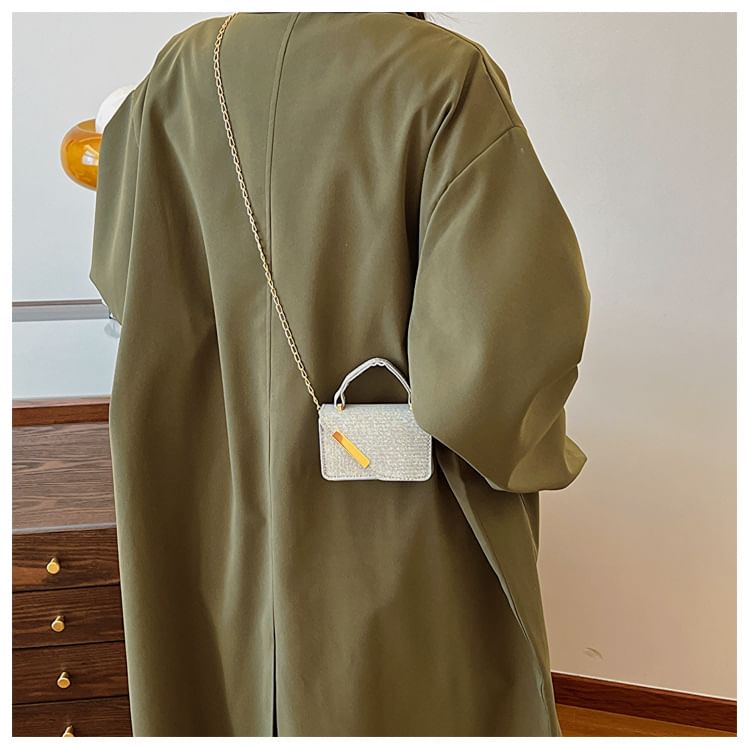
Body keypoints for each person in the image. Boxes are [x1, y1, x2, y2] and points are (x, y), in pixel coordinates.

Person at [90, 11, 590, 737]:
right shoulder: (445, 76)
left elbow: (122, 281)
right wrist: (544, 446)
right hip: (393, 509)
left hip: (206, 487)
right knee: (392, 694)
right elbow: (487, 374)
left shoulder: (180, 67)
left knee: (219, 686)